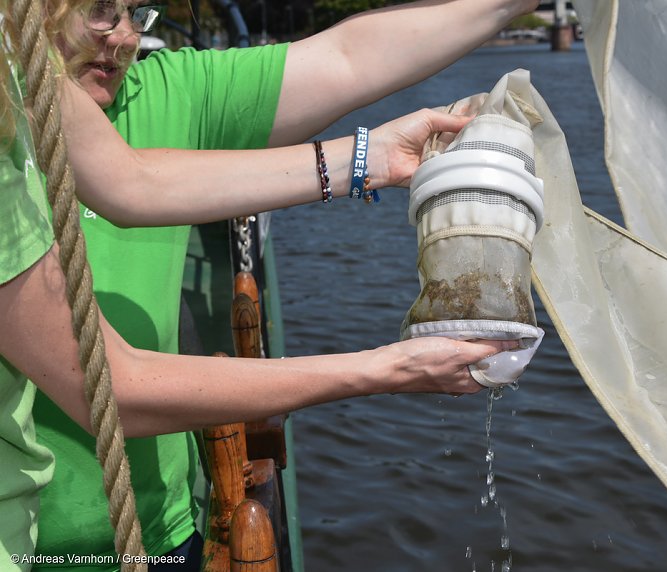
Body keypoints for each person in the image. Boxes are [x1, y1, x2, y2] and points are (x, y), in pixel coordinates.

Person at [33, 0, 541, 568]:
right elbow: (113, 387)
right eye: (102, 10)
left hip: (160, 532)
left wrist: (372, 156)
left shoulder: (163, 92)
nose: (126, 37)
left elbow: (348, 58)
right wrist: (392, 369)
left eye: (137, 12)